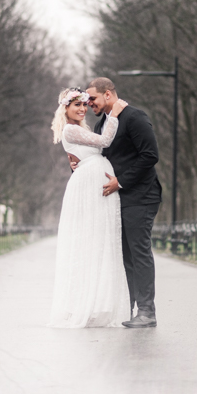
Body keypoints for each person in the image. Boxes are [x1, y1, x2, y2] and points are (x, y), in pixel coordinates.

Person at [48, 88, 131, 328]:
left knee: (99, 241)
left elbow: (87, 151)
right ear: (66, 108)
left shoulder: (80, 129)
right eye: (77, 105)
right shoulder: (71, 129)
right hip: (89, 186)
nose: (83, 109)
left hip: (93, 180)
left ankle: (96, 302)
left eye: (84, 105)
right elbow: (105, 140)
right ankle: (85, 303)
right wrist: (114, 114)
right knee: (91, 240)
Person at [85, 77, 161, 328]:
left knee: (138, 252)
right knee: (125, 255)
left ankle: (147, 311)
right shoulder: (101, 125)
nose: (88, 104)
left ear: (108, 94)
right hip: (118, 199)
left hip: (141, 196)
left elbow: (150, 155)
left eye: (92, 98)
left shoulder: (135, 117)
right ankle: (129, 308)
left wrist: (121, 181)